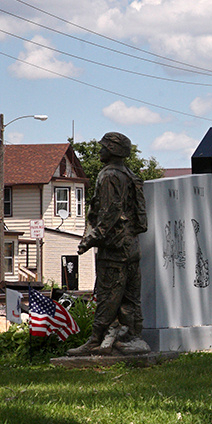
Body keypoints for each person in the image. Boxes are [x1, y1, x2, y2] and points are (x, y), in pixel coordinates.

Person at [68, 132, 150, 356]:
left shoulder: (109, 176)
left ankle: (96, 340)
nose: (100, 151)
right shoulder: (130, 175)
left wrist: (90, 239)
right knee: (131, 297)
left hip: (113, 247)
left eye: (103, 147)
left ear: (113, 150)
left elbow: (109, 212)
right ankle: (131, 338)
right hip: (131, 246)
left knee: (107, 295)